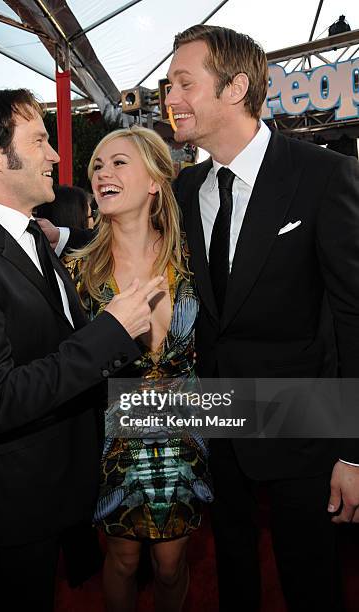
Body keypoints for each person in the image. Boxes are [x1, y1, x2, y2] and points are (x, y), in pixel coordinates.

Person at [0, 88, 163, 612]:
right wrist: (111, 331)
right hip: (13, 499)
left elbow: (55, 341)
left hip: (58, 480)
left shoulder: (29, 237)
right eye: (39, 139)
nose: (56, 155)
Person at [164, 24, 359, 612]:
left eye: (183, 83)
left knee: (310, 579)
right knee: (233, 573)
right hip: (217, 423)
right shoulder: (183, 188)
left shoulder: (321, 175)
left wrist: (353, 452)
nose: (168, 98)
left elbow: (354, 320)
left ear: (235, 87)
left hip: (305, 426)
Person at [64, 125, 213, 612]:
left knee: (171, 564)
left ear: (155, 180)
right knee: (123, 560)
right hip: (113, 437)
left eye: (118, 162)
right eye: (97, 166)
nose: (102, 172)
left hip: (183, 435)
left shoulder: (195, 258)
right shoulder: (79, 272)